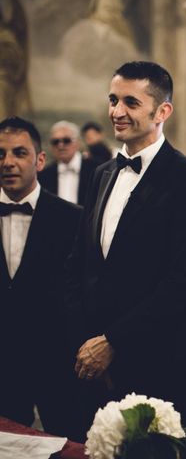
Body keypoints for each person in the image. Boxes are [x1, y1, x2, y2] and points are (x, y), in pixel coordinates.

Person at [66, 61, 186, 435]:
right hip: (95, 361)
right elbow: (83, 264)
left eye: (130, 102)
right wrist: (85, 339)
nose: (117, 112)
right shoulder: (101, 174)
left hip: (158, 359)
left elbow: (185, 281)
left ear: (162, 111)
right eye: (113, 100)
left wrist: (113, 341)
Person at [0, 116, 82, 438]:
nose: (8, 162)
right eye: (1, 153)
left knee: (71, 444)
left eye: (19, 153)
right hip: (3, 366)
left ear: (40, 159)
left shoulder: (73, 219)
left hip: (58, 364)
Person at [39, 120, 98, 205]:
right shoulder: (45, 174)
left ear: (77, 143)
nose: (60, 145)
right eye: (55, 142)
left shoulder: (95, 169)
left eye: (66, 140)